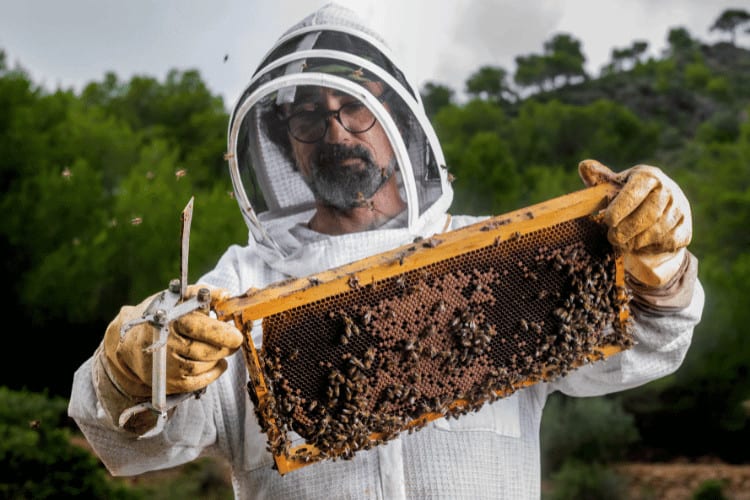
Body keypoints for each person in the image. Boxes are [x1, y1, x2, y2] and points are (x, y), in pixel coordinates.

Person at [68, 3, 704, 499]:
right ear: (284, 141)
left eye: (355, 108)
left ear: (398, 119)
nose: (336, 131)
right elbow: (131, 447)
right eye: (309, 117)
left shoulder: (494, 258)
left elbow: (640, 351)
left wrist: (659, 269)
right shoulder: (237, 286)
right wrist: (132, 372)